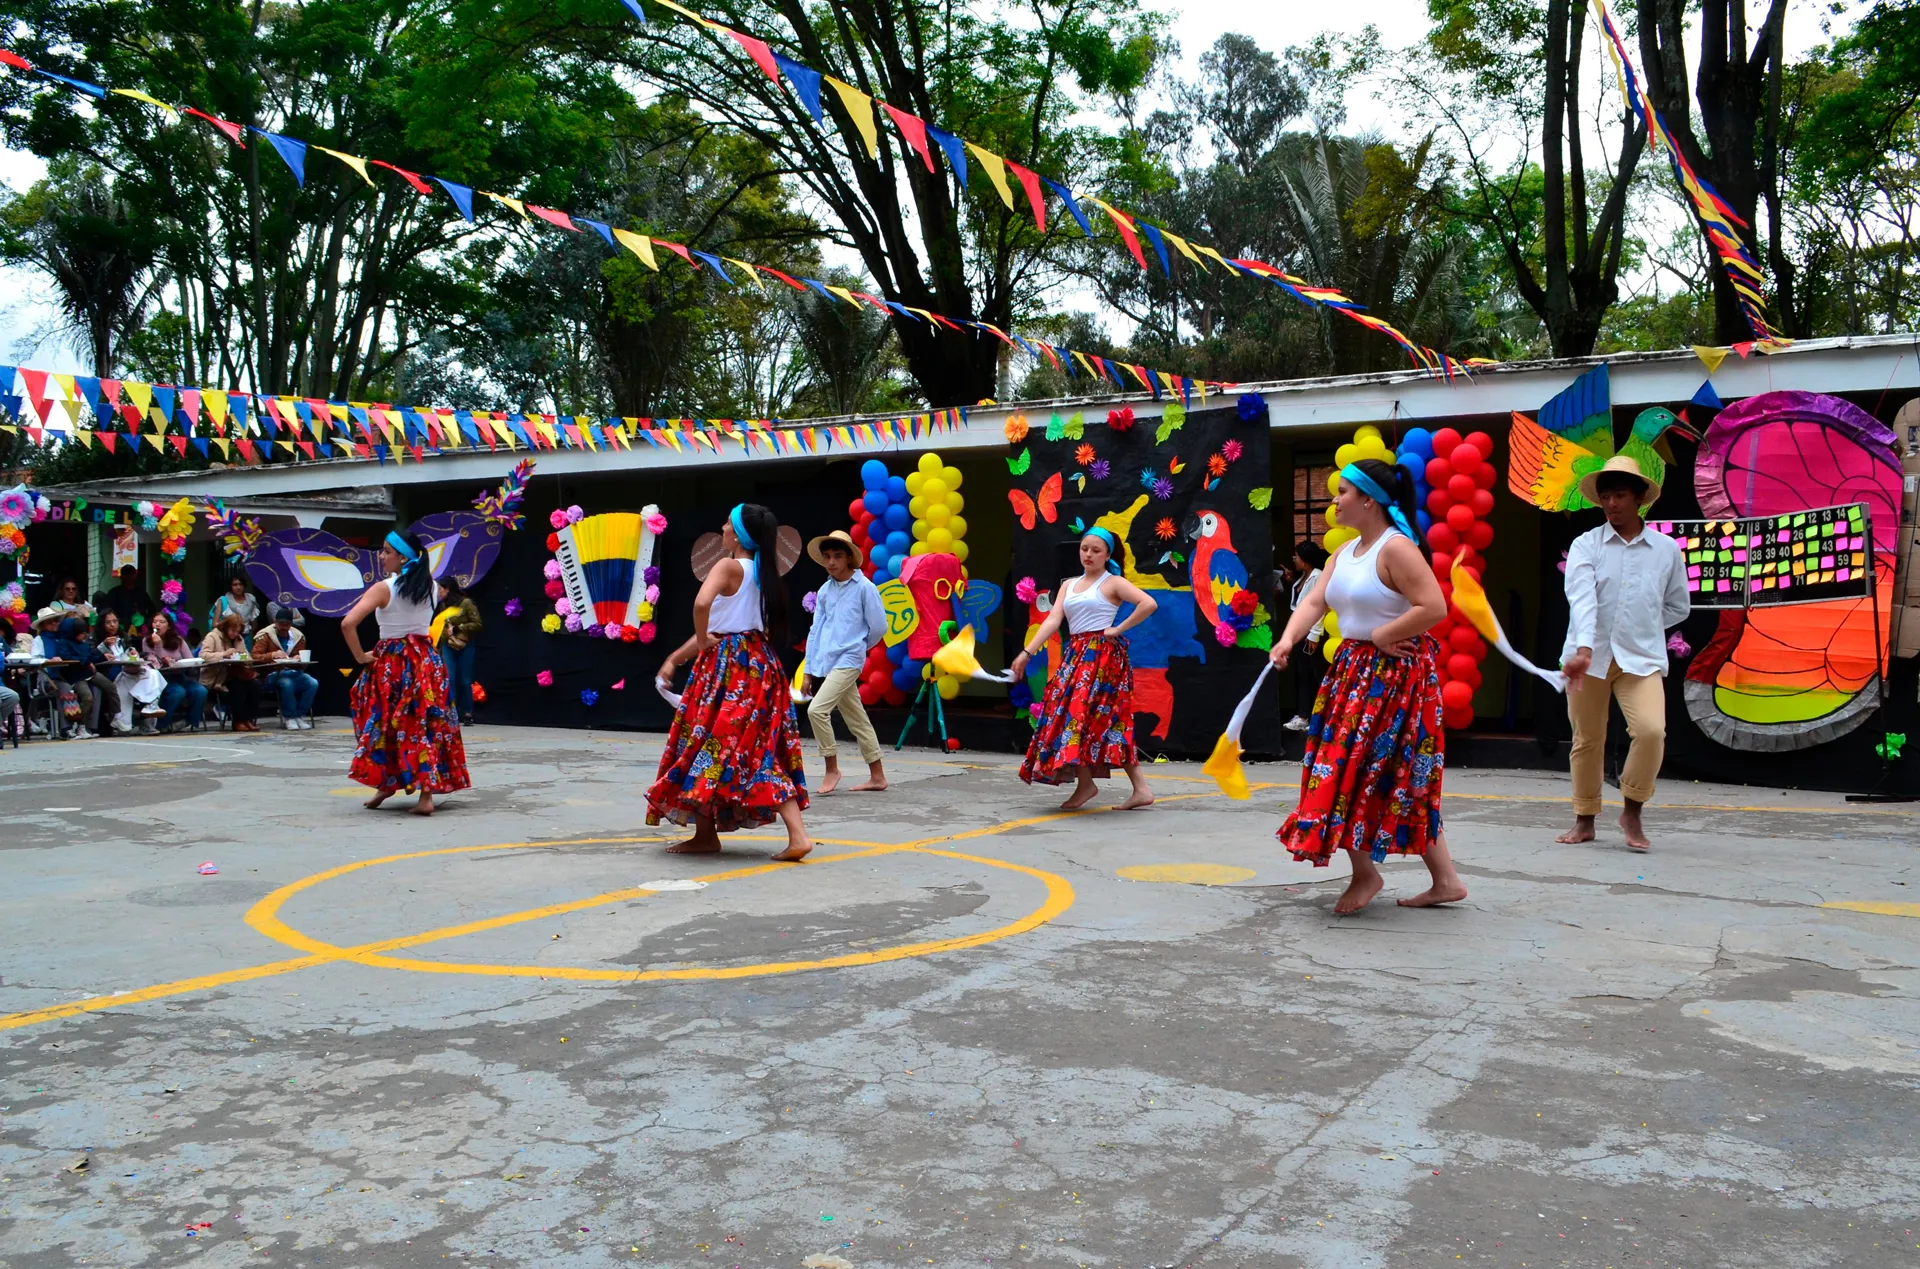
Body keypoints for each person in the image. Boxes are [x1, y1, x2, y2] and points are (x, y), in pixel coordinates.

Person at [1271, 457, 1466, 915]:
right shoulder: (1343, 552)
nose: (1335, 500)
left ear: (1368, 500)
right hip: (1353, 673)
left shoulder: (1396, 548)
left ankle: (1372, 875)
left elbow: (1433, 606)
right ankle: (1443, 880)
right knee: (1364, 773)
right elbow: (1315, 602)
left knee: (1369, 773)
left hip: (1393, 678)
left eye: (1342, 492)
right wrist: (1287, 639)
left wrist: (1382, 635)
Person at [649, 503, 811, 860]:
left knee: (713, 745)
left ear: (737, 535)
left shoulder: (727, 566)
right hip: (760, 665)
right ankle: (706, 834)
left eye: (727, 524)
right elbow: (724, 627)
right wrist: (676, 658)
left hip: (729, 671)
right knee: (737, 748)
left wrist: (700, 638)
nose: (722, 528)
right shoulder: (763, 574)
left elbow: (702, 607)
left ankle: (796, 836)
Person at [1556, 455, 1690, 853]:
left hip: (1641, 656)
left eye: (1619, 495)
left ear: (1639, 498)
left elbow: (1678, 606)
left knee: (1651, 731)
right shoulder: (1586, 544)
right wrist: (1584, 648)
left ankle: (1633, 809)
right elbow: (1581, 599)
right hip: (1588, 657)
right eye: (1605, 497)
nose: (1611, 504)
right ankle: (1584, 818)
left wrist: (1642, 625)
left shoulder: (1666, 549)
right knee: (1587, 738)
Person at [1010, 527, 1158, 811]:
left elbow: (1148, 603)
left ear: (1107, 555)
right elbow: (1053, 620)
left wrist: (1118, 628)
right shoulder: (1069, 585)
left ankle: (1131, 788)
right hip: (1076, 654)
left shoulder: (1113, 583)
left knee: (1097, 718)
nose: (1088, 555)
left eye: (1096, 550)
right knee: (1075, 717)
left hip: (1102, 657)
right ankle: (1092, 784)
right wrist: (1027, 652)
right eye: (1084, 549)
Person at [341, 529, 470, 813]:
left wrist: (361, 657)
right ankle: (422, 794)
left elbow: (347, 623)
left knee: (385, 723)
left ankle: (388, 782)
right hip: (426, 662)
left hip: (394, 663)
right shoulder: (431, 587)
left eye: (387, 551)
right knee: (426, 723)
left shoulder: (384, 588)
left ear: (402, 557)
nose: (381, 556)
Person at [803, 529, 889, 794]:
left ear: (849, 558)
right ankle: (878, 776)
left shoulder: (865, 588)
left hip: (850, 658)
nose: (831, 562)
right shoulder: (825, 591)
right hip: (830, 660)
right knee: (857, 719)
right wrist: (807, 671)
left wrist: (859, 646)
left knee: (816, 710)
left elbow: (879, 627)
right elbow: (815, 630)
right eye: (827, 556)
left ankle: (832, 769)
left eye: (837, 556)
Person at [29, 608, 116, 738]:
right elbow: (33, 659)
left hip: (70, 674)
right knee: (65, 689)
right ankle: (66, 728)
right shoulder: (39, 640)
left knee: (96, 689)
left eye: (56, 621)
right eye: (50, 622)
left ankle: (88, 726)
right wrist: (48, 660)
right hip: (49, 677)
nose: (54, 624)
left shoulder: (65, 637)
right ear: (43, 625)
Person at [1283, 542, 1330, 731]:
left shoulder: (1318, 577)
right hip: (1301, 632)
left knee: (1315, 674)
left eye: (1297, 556)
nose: (1294, 559)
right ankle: (1304, 715)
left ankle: (1322, 717)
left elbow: (1319, 606)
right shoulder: (1305, 576)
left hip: (1310, 634)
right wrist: (1290, 581)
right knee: (1303, 674)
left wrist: (1314, 634)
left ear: (1306, 560)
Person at [96, 610, 166, 733]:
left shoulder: (123, 636)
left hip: (129, 670)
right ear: (102, 624)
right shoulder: (95, 638)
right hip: (112, 675)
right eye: (108, 622)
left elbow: (129, 653)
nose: (112, 625)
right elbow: (91, 656)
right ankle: (126, 722)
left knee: (154, 674)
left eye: (115, 621)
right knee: (124, 682)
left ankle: (151, 707)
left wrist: (132, 652)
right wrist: (103, 647)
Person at [253, 604, 317, 730]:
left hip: (293, 672)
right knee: (287, 683)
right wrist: (272, 655)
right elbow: (254, 657)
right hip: (271, 674)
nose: (283, 627)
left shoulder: (298, 637)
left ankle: (299, 715)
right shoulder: (265, 635)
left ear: (291, 624)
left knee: (312, 683)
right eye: (280, 624)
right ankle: (289, 717)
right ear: (274, 622)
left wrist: (299, 659)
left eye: (286, 624)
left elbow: (303, 665)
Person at [143, 611, 206, 732]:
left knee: (200, 691)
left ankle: (188, 721)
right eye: (155, 622)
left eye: (162, 622)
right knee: (178, 692)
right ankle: (162, 724)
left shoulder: (178, 640)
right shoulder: (147, 641)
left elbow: (190, 659)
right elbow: (154, 664)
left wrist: (180, 663)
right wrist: (158, 645)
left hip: (180, 674)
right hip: (161, 678)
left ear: (169, 626)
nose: (157, 624)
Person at [201, 611, 263, 732]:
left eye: (237, 631)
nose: (235, 634)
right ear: (225, 627)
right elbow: (204, 655)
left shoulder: (239, 639)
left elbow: (248, 658)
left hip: (237, 674)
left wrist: (241, 657)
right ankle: (238, 721)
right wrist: (224, 654)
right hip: (218, 678)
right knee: (238, 689)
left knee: (255, 686)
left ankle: (248, 719)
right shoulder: (213, 636)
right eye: (232, 631)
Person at [433, 581, 483, 725]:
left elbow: (478, 624)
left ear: (448, 589)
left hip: (465, 645)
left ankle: (467, 713)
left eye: (440, 589)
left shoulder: (466, 603)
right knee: (449, 678)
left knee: (465, 680)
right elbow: (440, 626)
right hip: (448, 645)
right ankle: (451, 712)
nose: (438, 592)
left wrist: (458, 628)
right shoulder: (443, 605)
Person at [104, 565, 157, 634]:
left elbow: (152, 608)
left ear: (135, 575)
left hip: (140, 628)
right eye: (126, 574)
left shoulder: (141, 592)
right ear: (121, 576)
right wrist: (116, 622)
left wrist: (146, 621)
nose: (129, 576)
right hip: (121, 628)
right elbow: (107, 610)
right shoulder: (114, 593)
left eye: (131, 574)